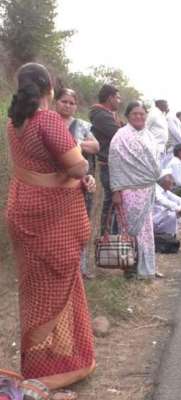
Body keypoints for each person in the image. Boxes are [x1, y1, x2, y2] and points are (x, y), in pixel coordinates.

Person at [5, 63, 96, 397]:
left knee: (35, 291)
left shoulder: (14, 122)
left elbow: (38, 164)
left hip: (23, 212)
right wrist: (83, 166)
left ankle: (43, 360)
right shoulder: (47, 120)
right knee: (58, 287)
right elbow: (76, 164)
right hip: (50, 220)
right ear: (49, 90)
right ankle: (58, 366)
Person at [109, 101, 162, 279]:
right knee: (129, 229)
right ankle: (129, 268)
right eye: (135, 114)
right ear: (128, 116)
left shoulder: (149, 136)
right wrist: (116, 190)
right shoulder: (120, 136)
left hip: (147, 189)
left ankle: (146, 268)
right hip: (128, 190)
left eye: (142, 114)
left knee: (146, 229)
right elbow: (115, 165)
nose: (139, 117)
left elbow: (155, 162)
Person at [55, 87, 100, 279]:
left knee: (80, 224)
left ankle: (79, 268)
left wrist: (75, 143)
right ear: (55, 102)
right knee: (56, 225)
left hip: (81, 181)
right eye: (64, 101)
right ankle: (59, 266)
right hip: (54, 182)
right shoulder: (48, 121)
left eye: (72, 103)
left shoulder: (82, 125)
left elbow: (96, 146)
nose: (67, 105)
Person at [89, 83, 121, 235]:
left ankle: (111, 237)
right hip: (108, 165)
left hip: (111, 164)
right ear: (110, 98)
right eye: (118, 97)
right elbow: (119, 136)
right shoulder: (101, 115)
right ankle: (106, 239)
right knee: (111, 203)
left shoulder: (107, 114)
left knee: (113, 202)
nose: (119, 101)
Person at [153, 169, 181, 237]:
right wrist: (178, 209)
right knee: (172, 213)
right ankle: (169, 237)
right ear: (164, 181)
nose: (173, 181)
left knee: (174, 212)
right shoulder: (156, 189)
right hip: (153, 220)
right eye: (170, 178)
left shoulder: (165, 191)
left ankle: (171, 237)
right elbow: (163, 201)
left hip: (159, 218)